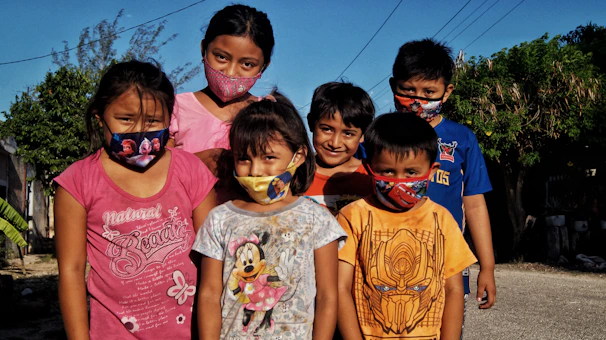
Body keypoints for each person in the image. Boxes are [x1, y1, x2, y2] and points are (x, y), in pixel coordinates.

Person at [54, 60, 217, 339]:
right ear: (99, 117)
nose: (139, 132)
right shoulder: (76, 182)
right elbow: (70, 271)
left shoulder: (190, 170)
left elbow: (213, 258)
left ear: (169, 120)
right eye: (126, 119)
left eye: (153, 121)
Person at [193, 91, 346, 339]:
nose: (255, 170)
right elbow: (209, 294)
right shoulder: (218, 219)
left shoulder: (317, 219)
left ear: (298, 156)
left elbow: (328, 296)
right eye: (244, 158)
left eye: (269, 157)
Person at [337, 113, 477, 339]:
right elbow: (340, 288)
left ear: (431, 171)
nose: (399, 181)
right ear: (368, 167)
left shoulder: (442, 220)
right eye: (387, 172)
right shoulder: (352, 217)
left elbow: (453, 290)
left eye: (411, 172)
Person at [390, 38, 497, 312]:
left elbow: (473, 204)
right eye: (408, 90)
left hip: (447, 266)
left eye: (428, 92)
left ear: (446, 92)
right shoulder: (379, 136)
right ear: (393, 87)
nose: (417, 101)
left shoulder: (463, 138)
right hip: (387, 266)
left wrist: (487, 266)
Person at [168, 4, 274, 173]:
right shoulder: (174, 108)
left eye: (247, 64)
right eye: (221, 57)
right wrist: (197, 162)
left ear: (263, 67)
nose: (231, 73)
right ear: (204, 49)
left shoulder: (268, 114)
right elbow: (158, 169)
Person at [304, 81, 375, 214]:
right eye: (327, 129)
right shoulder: (296, 175)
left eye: (348, 134)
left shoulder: (372, 177)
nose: (335, 143)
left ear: (363, 135)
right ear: (311, 123)